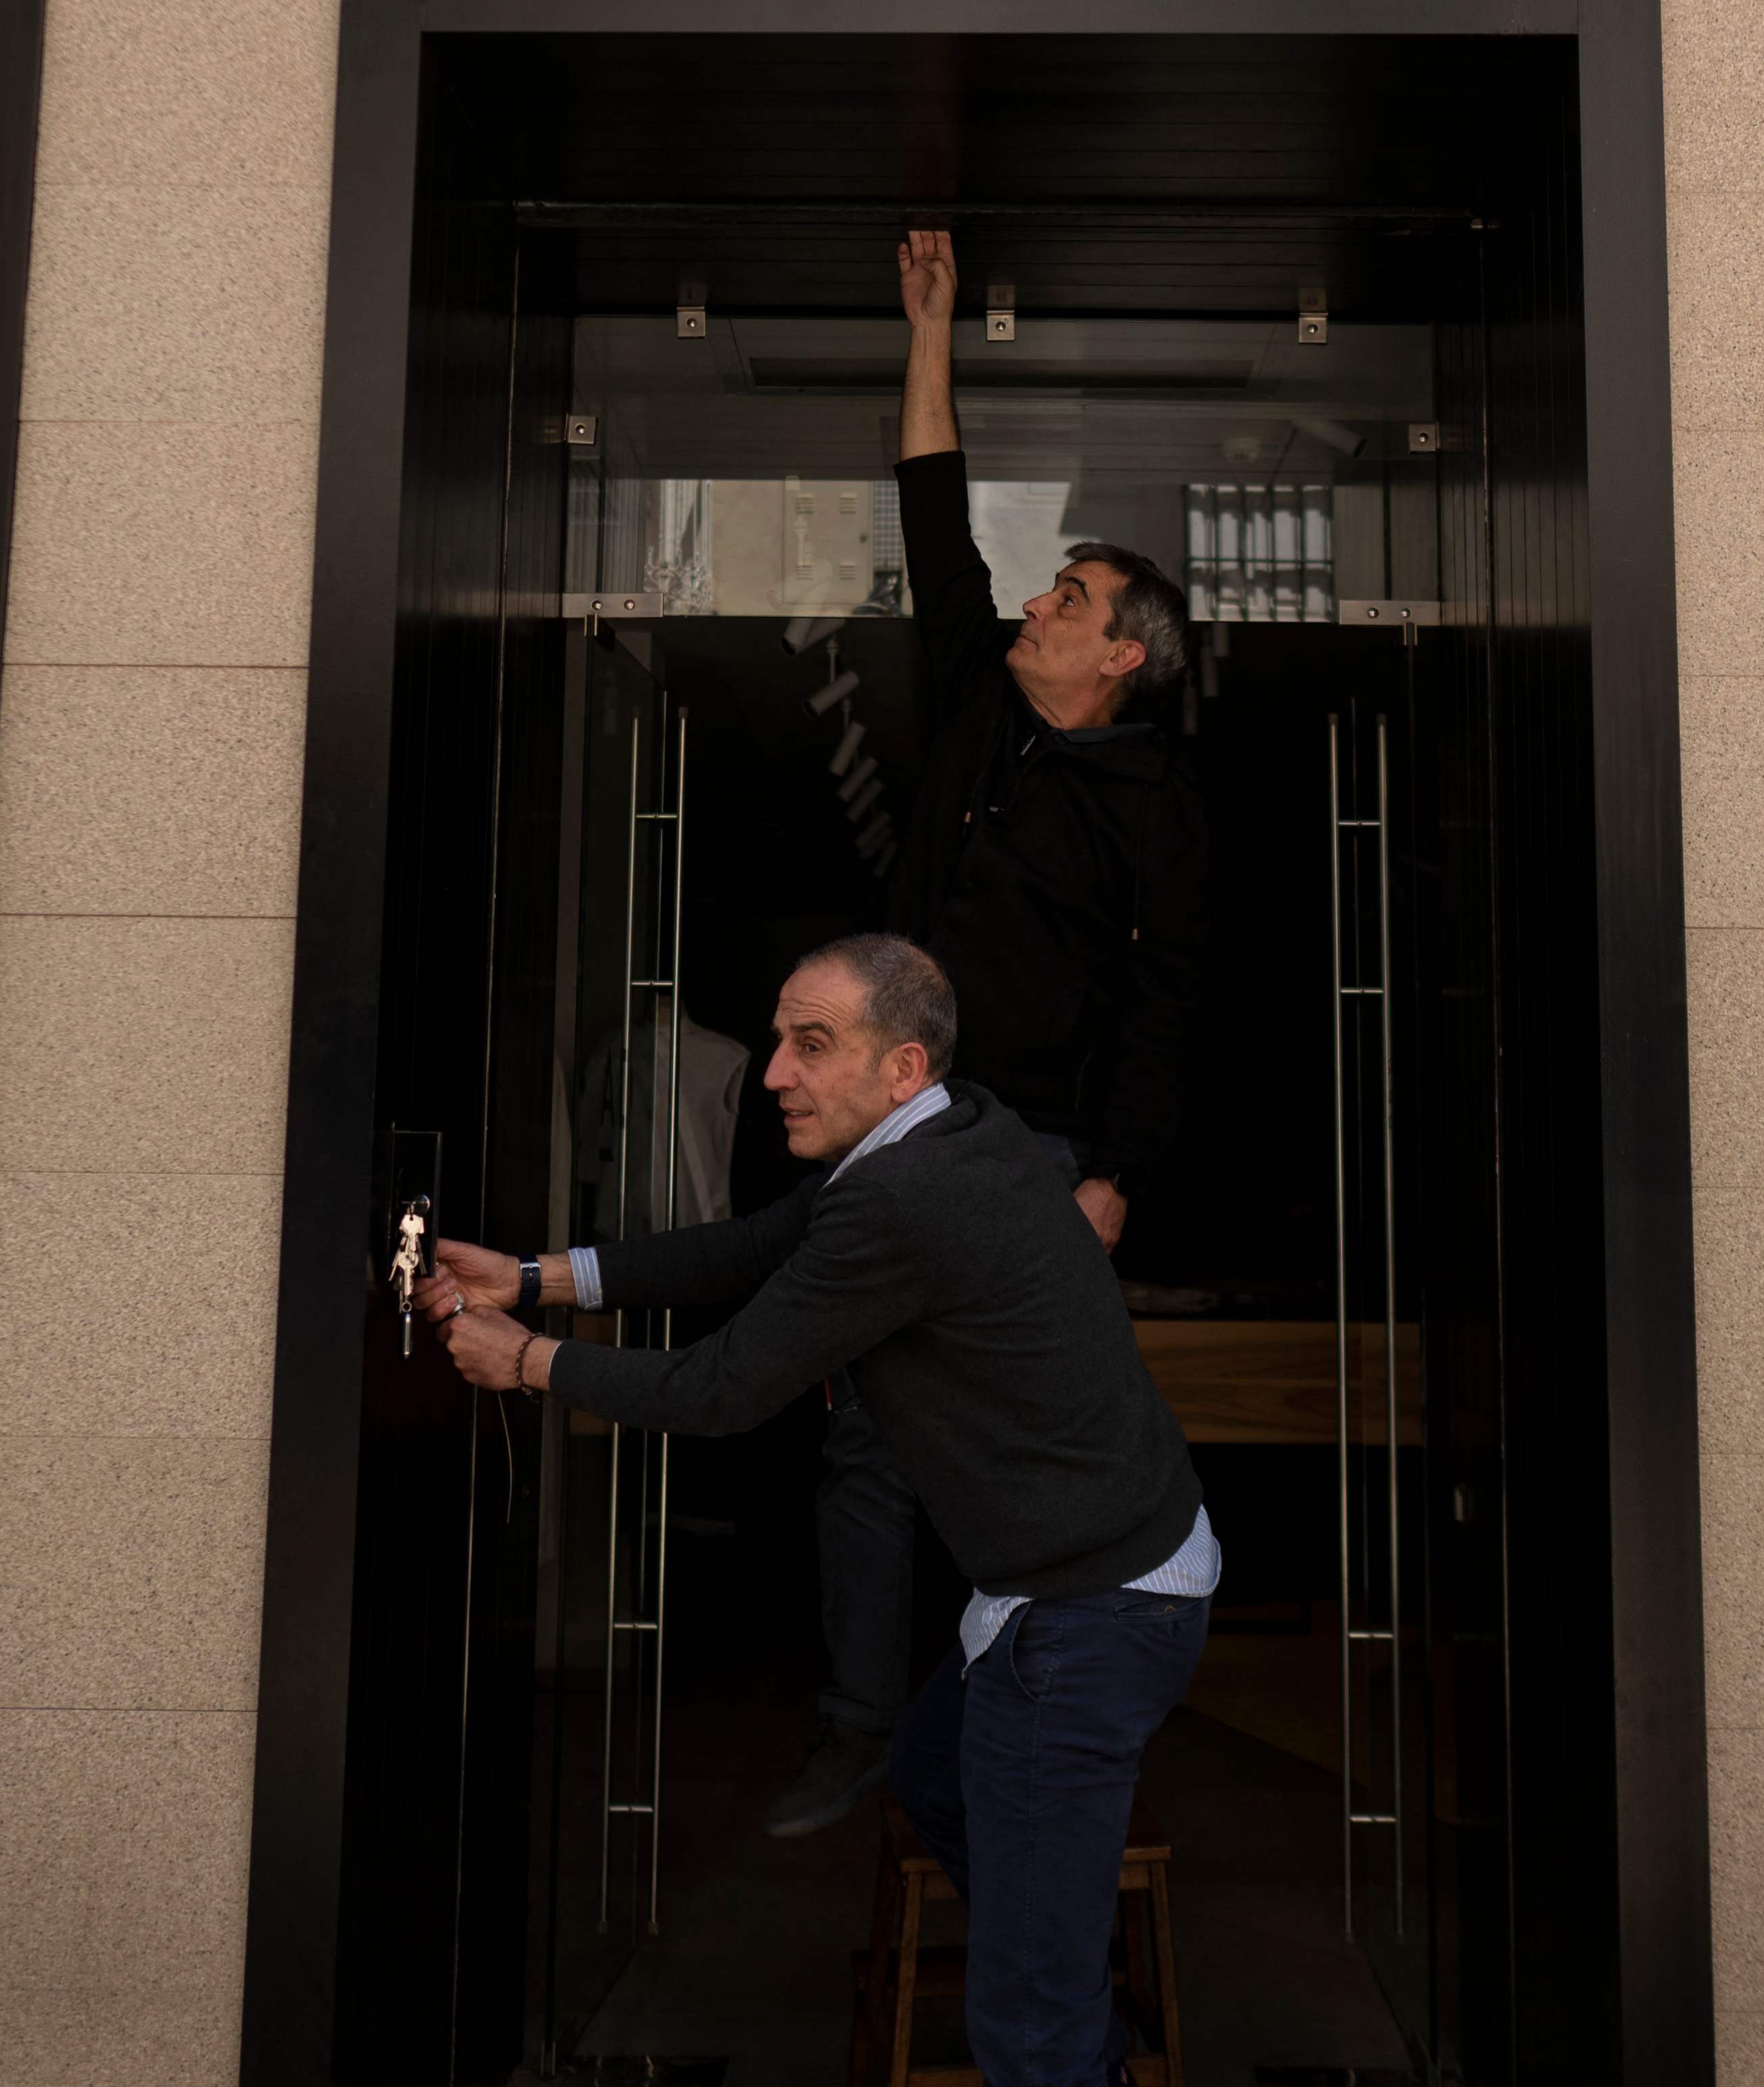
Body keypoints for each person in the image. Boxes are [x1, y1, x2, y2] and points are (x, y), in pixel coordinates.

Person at [422, 933, 1215, 2087]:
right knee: (935, 1777)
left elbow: (722, 1387)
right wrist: (539, 1276)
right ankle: (1057, 1974)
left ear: (901, 1066)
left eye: (811, 1044)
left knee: (1025, 2030)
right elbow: (754, 1244)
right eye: (780, 1039)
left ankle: (1059, 2014)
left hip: (1090, 1613)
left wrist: (526, 1358)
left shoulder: (905, 1196)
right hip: (1085, 1581)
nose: (775, 1073)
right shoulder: (957, 1125)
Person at [766, 228, 1211, 1840]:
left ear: (1122, 654)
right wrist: (929, 330)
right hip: (899, 1131)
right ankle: (858, 1727)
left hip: (1032, 1158)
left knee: (1006, 1444)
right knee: (867, 1444)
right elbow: (933, 515)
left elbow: (1165, 1006)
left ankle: (1009, 1726)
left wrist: (1109, 1178)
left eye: (1070, 597)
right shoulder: (974, 692)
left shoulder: (1155, 807)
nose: (1038, 601)